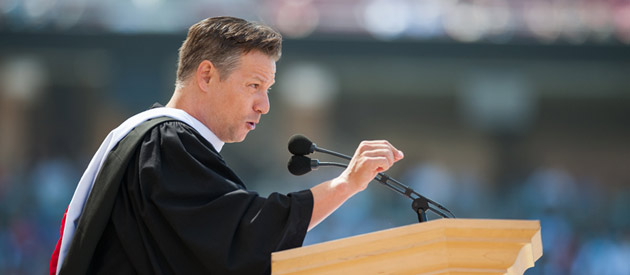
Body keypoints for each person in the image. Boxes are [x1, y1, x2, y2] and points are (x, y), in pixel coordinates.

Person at [50, 16, 403, 274]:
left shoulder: (151, 142)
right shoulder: (165, 143)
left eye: (268, 90)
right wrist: (345, 184)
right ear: (206, 75)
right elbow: (241, 235)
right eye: (253, 86)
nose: (264, 105)